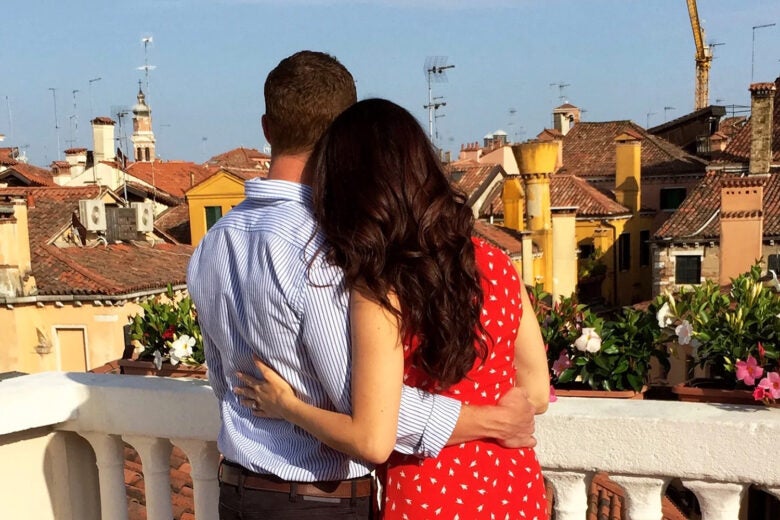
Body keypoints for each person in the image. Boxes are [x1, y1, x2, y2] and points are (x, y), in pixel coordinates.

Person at [188, 51, 539, 520]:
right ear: (342, 139)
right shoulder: (329, 250)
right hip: (321, 499)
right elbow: (372, 417)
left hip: (237, 490)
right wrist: (488, 420)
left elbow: (223, 382)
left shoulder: (213, 242)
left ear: (267, 129)